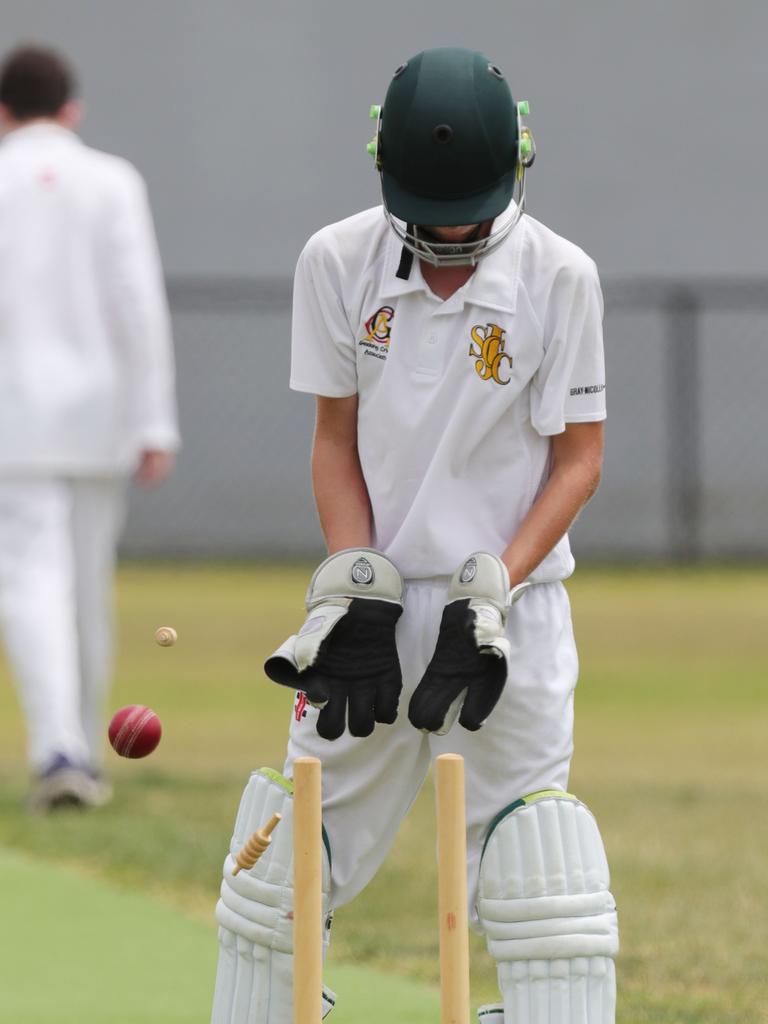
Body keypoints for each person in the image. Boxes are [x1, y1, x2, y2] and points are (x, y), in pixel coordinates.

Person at [212, 47, 618, 1023]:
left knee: (539, 875)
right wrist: (354, 584)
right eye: (430, 222)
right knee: (281, 877)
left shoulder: (560, 275)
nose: (450, 241)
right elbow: (334, 440)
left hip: (505, 612)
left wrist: (495, 586)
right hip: (374, 607)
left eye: (469, 222)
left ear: (517, 168)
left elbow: (578, 460)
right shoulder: (336, 260)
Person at [0, 45, 179, 811]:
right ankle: (80, 753)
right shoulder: (112, 180)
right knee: (83, 582)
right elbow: (138, 303)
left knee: (32, 578)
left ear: (3, 112)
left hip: (12, 414)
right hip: (101, 413)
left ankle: (60, 751)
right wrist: (154, 420)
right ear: (71, 109)